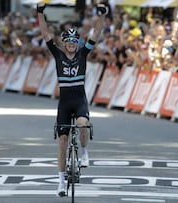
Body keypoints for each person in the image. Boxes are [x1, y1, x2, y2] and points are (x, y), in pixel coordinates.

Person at [37, 2, 106, 197]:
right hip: (64, 103)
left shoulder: (83, 54)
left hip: (79, 99)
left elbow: (96, 33)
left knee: (83, 125)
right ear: (64, 42)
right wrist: (40, 13)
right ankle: (60, 182)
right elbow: (45, 34)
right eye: (68, 41)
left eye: (75, 42)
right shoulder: (58, 55)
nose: (72, 44)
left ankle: (84, 152)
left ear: (78, 43)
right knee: (62, 141)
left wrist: (101, 16)